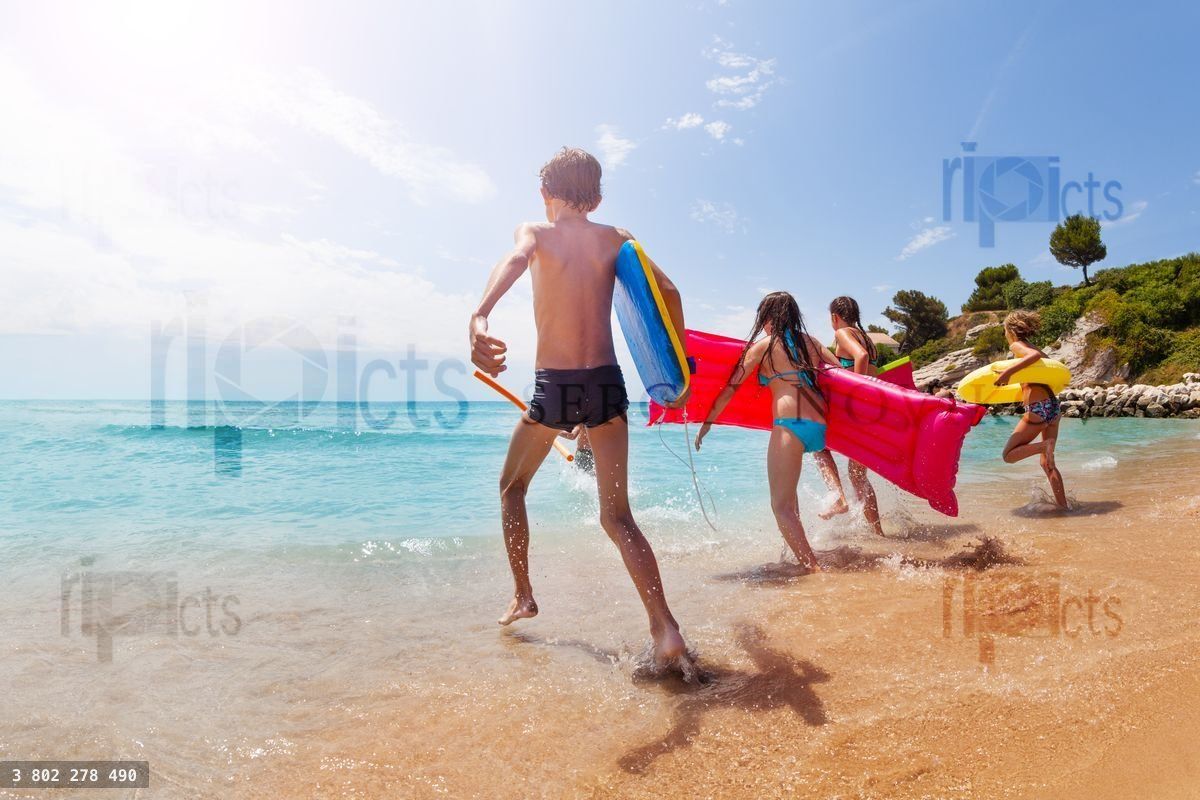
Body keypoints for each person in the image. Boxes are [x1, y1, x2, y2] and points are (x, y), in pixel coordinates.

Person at [469, 147, 691, 667]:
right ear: (596, 196)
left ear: (546, 193)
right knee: (618, 518)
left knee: (512, 488)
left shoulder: (536, 232)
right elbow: (671, 293)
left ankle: (524, 596)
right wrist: (677, 373)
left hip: (558, 386)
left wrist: (480, 314)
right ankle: (665, 628)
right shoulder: (619, 239)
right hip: (608, 384)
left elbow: (517, 259)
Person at [693, 292, 840, 572]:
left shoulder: (764, 346)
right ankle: (796, 554)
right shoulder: (812, 343)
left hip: (790, 426)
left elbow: (731, 387)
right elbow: (842, 376)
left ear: (769, 318)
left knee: (780, 506)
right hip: (819, 426)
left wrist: (708, 420)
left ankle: (813, 569)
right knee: (789, 497)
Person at [820, 296, 886, 536]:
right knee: (858, 476)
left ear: (834, 317)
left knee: (816, 443)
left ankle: (838, 498)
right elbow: (871, 365)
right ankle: (877, 533)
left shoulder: (843, 333)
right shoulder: (868, 338)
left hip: (857, 411)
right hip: (872, 414)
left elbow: (861, 357)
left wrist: (856, 396)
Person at [994, 310, 1069, 508]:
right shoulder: (1035, 347)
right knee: (1047, 463)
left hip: (1039, 408)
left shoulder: (1016, 345)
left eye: (1004, 330)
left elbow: (1032, 356)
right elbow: (1041, 373)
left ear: (1010, 330)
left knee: (1008, 455)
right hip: (1053, 407)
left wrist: (1007, 373)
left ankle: (1042, 447)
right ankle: (1064, 508)